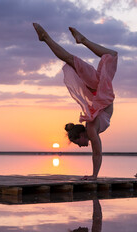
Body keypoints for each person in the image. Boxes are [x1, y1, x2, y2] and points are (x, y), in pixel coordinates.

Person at [33, 23, 118, 180]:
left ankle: (50, 38)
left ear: (81, 135)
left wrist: (94, 176)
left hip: (98, 88)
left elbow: (97, 153)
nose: (81, 146)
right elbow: (97, 152)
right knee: (81, 58)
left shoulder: (91, 129)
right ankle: (79, 39)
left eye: (78, 143)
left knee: (77, 58)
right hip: (96, 87)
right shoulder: (91, 125)